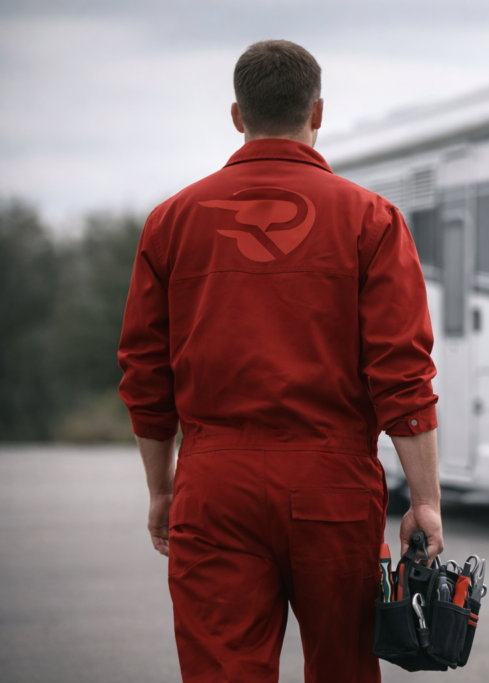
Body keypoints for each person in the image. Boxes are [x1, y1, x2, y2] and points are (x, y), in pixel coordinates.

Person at [118, 40, 443, 683]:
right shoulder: (372, 219)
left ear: (237, 116)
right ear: (316, 112)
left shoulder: (171, 222)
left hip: (213, 486)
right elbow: (403, 371)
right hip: (333, 486)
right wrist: (426, 500)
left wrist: (163, 488)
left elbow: (144, 371)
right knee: (344, 669)